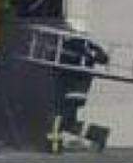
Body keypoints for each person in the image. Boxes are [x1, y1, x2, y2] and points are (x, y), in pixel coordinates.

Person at [48, 24, 111, 153]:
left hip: (68, 89)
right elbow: (104, 58)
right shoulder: (89, 46)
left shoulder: (69, 46)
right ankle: (98, 134)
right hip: (79, 90)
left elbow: (55, 63)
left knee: (58, 118)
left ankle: (55, 147)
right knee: (69, 122)